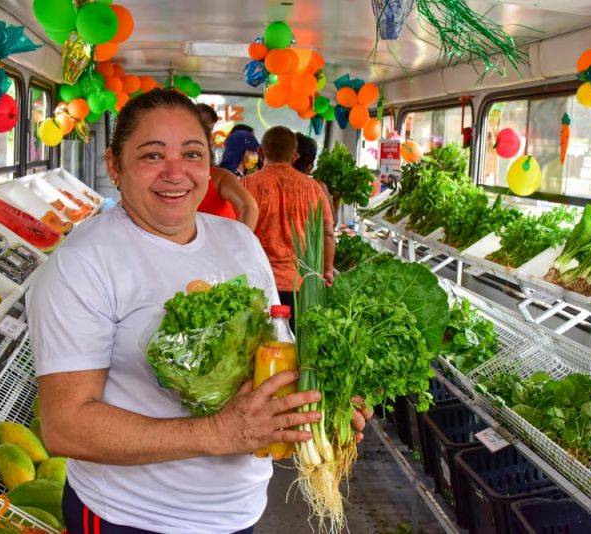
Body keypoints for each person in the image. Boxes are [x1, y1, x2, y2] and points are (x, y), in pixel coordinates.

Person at [27, 89, 370, 534]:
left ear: (210, 163)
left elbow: (273, 352)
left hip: (238, 510)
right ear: (115, 165)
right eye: (152, 155)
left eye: (192, 153)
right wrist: (219, 433)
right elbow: (65, 427)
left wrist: (322, 404)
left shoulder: (239, 241)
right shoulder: (84, 262)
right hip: (133, 517)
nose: (176, 173)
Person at [243, 126, 336, 318]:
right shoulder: (312, 188)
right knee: (296, 346)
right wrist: (327, 271)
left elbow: (234, 234)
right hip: (301, 285)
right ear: (294, 156)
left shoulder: (246, 185)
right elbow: (328, 232)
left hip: (258, 284)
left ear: (261, 152)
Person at [195, 103, 259, 230]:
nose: (209, 136)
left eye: (209, 131)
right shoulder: (222, 174)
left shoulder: (219, 175)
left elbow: (249, 207)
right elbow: (249, 207)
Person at [293, 132, 333, 213]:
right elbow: (332, 222)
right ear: (310, 167)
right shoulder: (318, 188)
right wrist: (336, 200)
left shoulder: (272, 183)